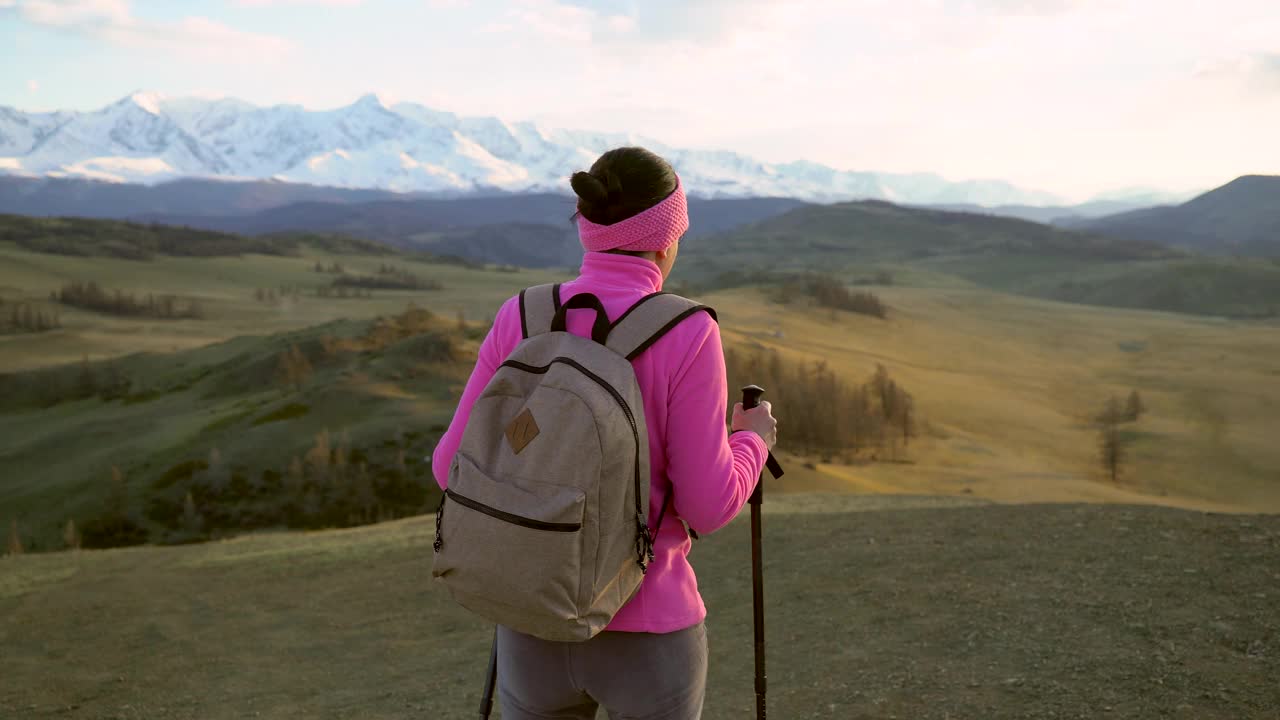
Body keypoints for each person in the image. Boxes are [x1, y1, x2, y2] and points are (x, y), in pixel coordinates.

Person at [431, 146, 779, 720]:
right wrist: (753, 441)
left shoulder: (521, 315)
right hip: (649, 633)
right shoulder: (688, 331)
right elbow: (708, 505)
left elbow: (451, 468)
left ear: (588, 229)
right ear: (667, 238)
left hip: (531, 622)